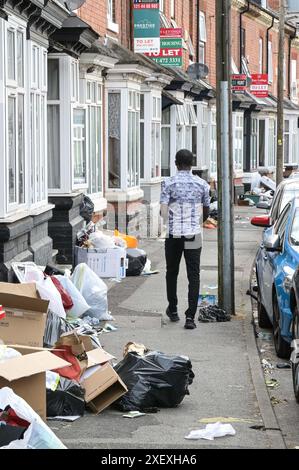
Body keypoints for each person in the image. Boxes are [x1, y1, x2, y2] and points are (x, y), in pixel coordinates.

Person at [160, 149, 210, 330]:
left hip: (174, 234)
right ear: (192, 163)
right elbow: (206, 211)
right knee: (193, 275)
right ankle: (190, 317)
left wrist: (171, 219)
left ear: (176, 163)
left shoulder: (168, 183)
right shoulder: (202, 184)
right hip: (193, 234)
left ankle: (173, 310)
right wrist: (195, 223)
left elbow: (163, 212)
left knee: (171, 272)